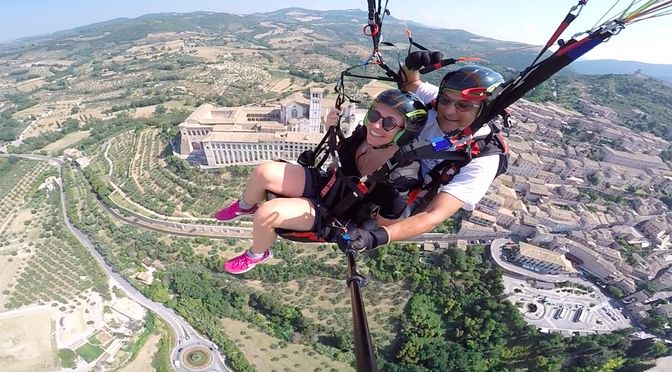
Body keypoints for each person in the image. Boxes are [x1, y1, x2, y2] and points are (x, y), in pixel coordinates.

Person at [215, 89, 429, 274]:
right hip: (332, 183)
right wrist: (331, 128)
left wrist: (362, 235)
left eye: (389, 123)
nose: (376, 125)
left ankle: (258, 253)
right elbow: (342, 158)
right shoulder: (365, 134)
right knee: (264, 172)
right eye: (374, 115)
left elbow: (386, 225)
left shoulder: (400, 177)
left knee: (267, 213)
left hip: (338, 211)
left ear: (404, 132)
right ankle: (244, 206)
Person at [343, 51, 509, 252]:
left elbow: (433, 215)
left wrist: (375, 237)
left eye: (463, 106)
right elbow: (409, 83)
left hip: (407, 201)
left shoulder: (482, 159)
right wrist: (411, 66)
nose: (448, 111)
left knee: (396, 183)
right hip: (387, 168)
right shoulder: (437, 101)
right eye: (445, 100)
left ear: (485, 110)